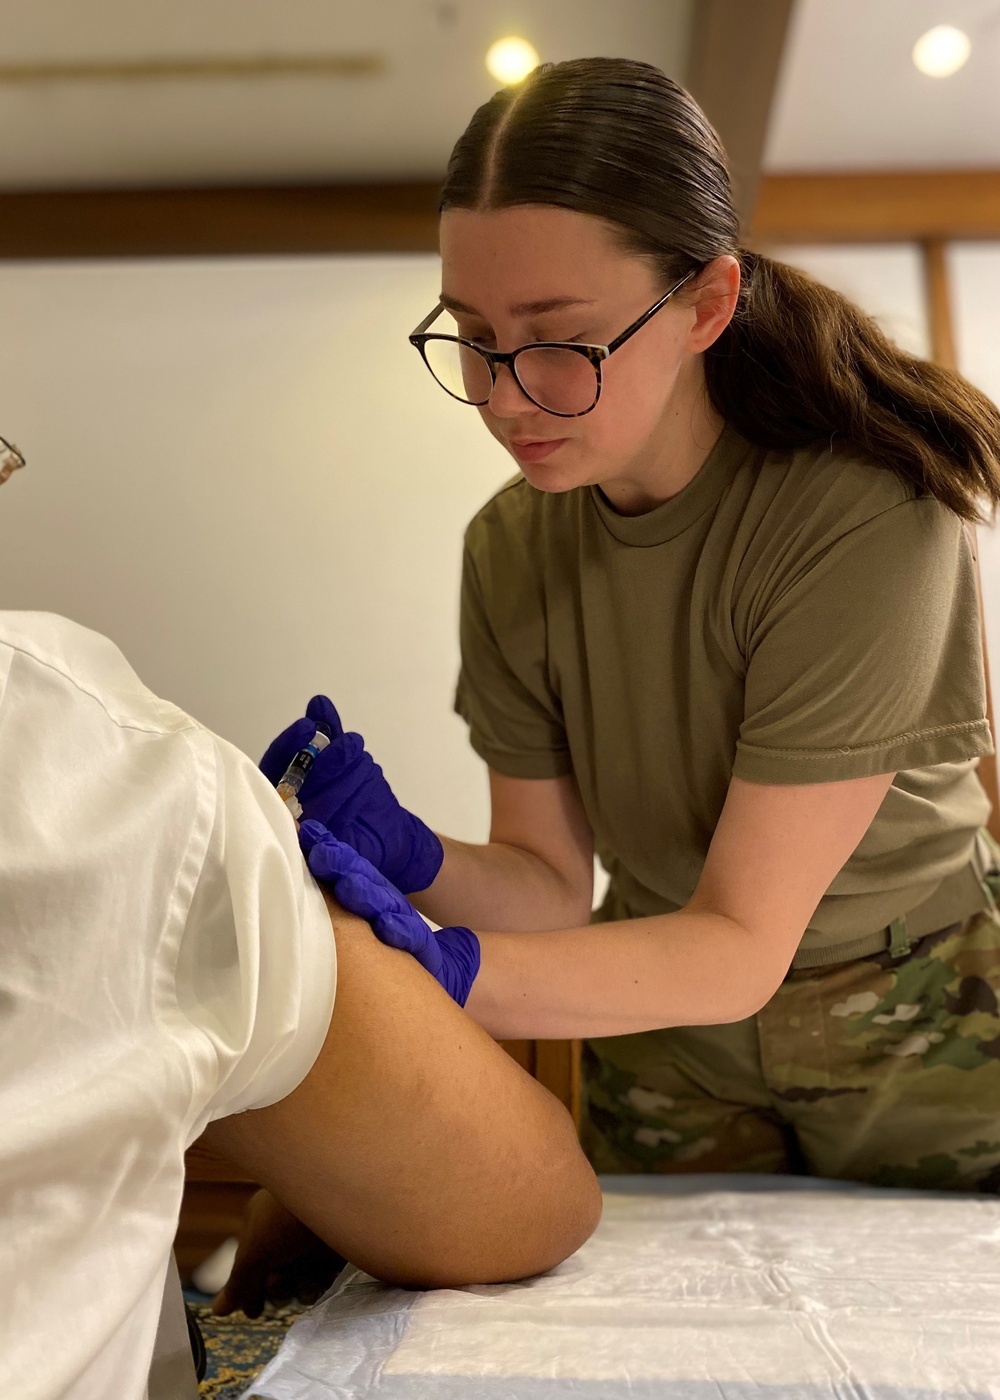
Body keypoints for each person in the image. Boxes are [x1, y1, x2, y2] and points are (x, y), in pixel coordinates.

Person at [263, 57, 1000, 1198]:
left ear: (705, 303)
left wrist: (436, 974)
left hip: (920, 1010)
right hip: (659, 1021)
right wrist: (415, 853)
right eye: (471, 332)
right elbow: (552, 886)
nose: (505, 395)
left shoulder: (863, 514)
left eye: (558, 337)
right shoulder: (509, 548)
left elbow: (739, 943)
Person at [0, 437, 601, 1400]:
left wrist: (419, 862)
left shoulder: (840, 527)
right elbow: (521, 1195)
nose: (500, 400)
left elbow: (572, 897)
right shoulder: (91, 747)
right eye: (471, 340)